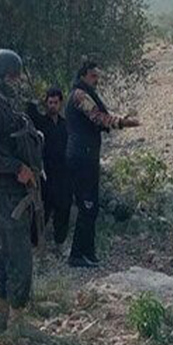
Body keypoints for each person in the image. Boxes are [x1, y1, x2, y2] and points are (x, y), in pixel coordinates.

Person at [0, 49, 43, 333]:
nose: (17, 83)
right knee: (18, 255)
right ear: (1, 77)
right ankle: (14, 317)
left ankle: (3, 315)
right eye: (13, 78)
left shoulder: (8, 110)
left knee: (9, 253)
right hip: (7, 194)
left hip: (18, 194)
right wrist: (17, 168)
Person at [65, 61, 140, 268]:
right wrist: (122, 123)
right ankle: (77, 254)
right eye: (93, 76)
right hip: (82, 157)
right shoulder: (80, 95)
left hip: (86, 156)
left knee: (91, 205)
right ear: (83, 76)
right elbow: (98, 117)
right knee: (87, 205)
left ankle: (87, 252)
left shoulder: (84, 94)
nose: (96, 81)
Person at [28, 87, 71, 249]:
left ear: (60, 104)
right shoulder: (41, 123)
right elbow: (30, 113)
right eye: (50, 102)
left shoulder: (65, 125)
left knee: (63, 207)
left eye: (56, 102)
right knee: (43, 208)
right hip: (45, 173)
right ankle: (34, 243)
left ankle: (59, 242)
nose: (53, 105)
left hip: (63, 173)